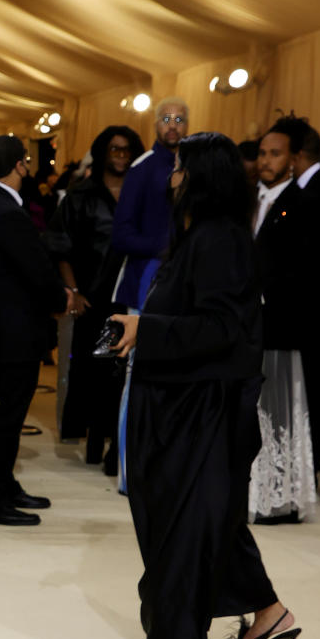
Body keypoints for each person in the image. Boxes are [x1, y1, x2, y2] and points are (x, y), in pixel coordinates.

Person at [105, 133, 299, 639]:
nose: (171, 179)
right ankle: (269, 613)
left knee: (184, 525)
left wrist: (147, 328)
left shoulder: (220, 241)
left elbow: (221, 329)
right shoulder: (203, 236)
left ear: (201, 178)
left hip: (203, 410)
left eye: (178, 169)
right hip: (185, 403)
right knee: (211, 520)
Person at [0, 135, 67, 526]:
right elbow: (37, 270)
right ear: (20, 166)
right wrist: (61, 299)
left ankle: (3, 488)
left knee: (1, 418)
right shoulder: (4, 211)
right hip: (10, 336)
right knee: (2, 421)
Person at [46, 125, 144, 473]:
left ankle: (116, 447)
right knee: (95, 370)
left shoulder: (142, 193)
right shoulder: (81, 194)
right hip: (96, 297)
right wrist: (74, 291)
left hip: (131, 297)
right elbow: (61, 246)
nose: (120, 156)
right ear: (103, 152)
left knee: (123, 371)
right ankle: (93, 442)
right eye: (114, 149)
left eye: (126, 149)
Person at [112, 97, 189, 491]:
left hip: (181, 287)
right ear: (154, 124)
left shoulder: (192, 166)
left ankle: (163, 467)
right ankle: (131, 471)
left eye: (179, 119)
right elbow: (121, 233)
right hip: (144, 283)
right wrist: (164, 246)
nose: (172, 125)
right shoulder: (143, 169)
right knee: (136, 375)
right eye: (165, 119)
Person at [248, 125, 315, 522]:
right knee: (255, 408)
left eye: (275, 154)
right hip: (252, 321)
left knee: (280, 409)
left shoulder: (298, 203)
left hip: (281, 320)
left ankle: (279, 496)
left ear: (292, 160)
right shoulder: (252, 198)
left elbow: (302, 268)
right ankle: (256, 490)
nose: (266, 160)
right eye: (262, 152)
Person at [272, 116, 320, 472]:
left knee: (312, 383)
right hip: (303, 306)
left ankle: (309, 457)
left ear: (295, 156)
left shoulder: (319, 193)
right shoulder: (306, 191)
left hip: (308, 306)